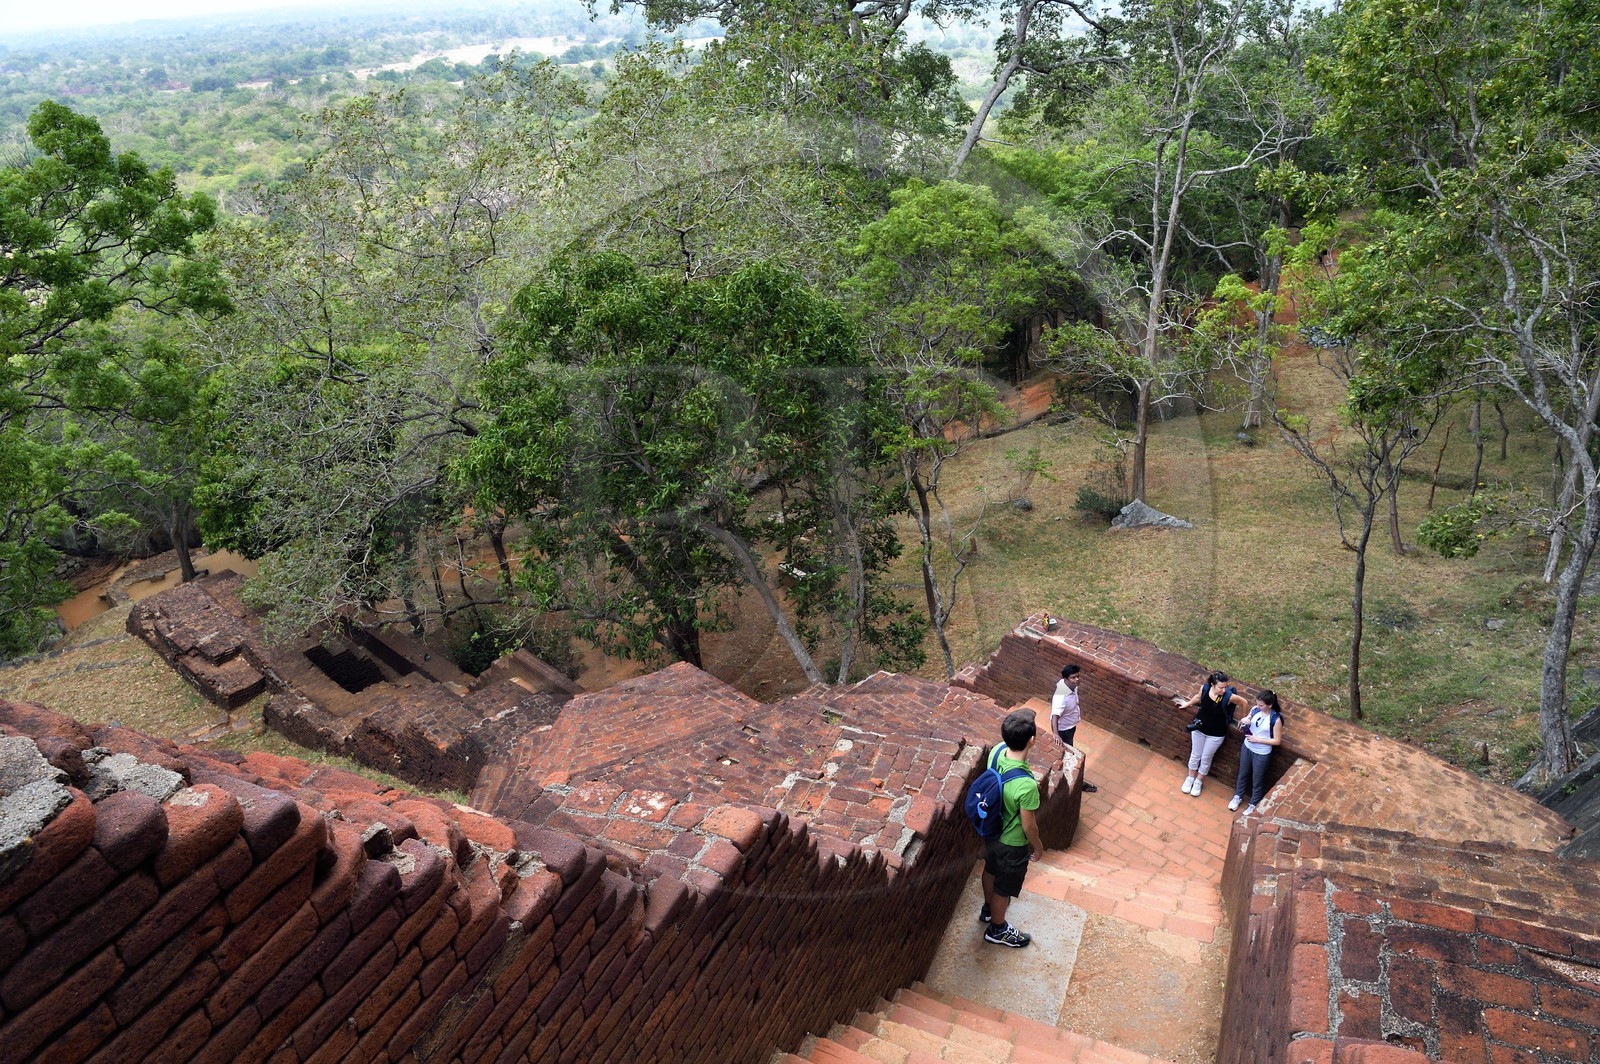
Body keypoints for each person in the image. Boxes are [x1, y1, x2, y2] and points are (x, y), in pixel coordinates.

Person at [979, 709, 1045, 948]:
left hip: (992, 830)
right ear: (1032, 740)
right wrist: (1037, 847)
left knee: (990, 868)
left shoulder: (997, 750)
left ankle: (988, 908)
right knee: (1004, 888)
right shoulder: (1026, 786)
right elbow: (1029, 825)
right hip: (1012, 843)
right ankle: (997, 929)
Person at [1171, 670, 1249, 796]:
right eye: (1221, 687)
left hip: (1216, 734)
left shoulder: (1229, 696)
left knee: (1206, 757)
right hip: (1199, 729)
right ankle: (1190, 778)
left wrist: (1245, 719)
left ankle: (1198, 781)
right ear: (1212, 684)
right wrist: (1188, 704)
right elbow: (1198, 697)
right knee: (1195, 754)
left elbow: (1244, 702)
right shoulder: (1205, 688)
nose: (1224, 690)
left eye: (1225, 687)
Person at [1229, 690, 1284, 814]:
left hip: (1261, 753)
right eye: (1257, 704)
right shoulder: (1255, 710)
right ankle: (1238, 796)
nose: (1258, 707)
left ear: (1269, 705)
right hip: (1247, 746)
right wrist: (1245, 720)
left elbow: (1277, 741)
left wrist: (1257, 739)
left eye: (1261, 705)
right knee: (1242, 773)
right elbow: (1248, 718)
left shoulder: (1275, 719)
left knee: (1257, 779)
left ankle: (1253, 803)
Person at [1049, 664, 1098, 792]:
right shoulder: (1061, 697)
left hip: (1070, 726)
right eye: (1073, 678)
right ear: (1066, 680)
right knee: (1069, 755)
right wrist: (1056, 733)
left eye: (1077, 676)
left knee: (1066, 752)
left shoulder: (1071, 685)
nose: (1077, 680)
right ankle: (1076, 783)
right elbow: (1055, 715)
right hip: (1063, 731)